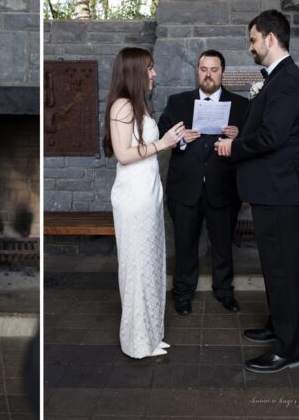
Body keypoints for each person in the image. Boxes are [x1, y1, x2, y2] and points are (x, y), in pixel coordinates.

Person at [215, 9, 299, 374]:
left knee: (283, 271)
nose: (251, 47)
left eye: (254, 40)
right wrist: (242, 134)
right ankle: (277, 326)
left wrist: (233, 148)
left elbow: (273, 138)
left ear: (271, 38)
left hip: (281, 192)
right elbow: (269, 129)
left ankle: (288, 349)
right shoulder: (276, 78)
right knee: (274, 268)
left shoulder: (286, 80)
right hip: (273, 190)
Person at [103, 47, 184, 360]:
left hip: (147, 195)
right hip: (133, 198)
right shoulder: (122, 106)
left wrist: (172, 139)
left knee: (150, 264)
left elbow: (141, 146)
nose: (154, 73)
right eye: (149, 68)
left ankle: (150, 336)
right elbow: (123, 154)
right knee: (137, 269)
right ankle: (137, 342)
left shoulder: (139, 105)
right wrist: (162, 143)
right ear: (135, 71)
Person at [158, 50, 248, 316]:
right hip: (185, 188)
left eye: (214, 69)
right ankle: (183, 294)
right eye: (203, 69)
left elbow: (255, 143)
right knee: (185, 245)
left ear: (223, 72)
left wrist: (239, 136)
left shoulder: (241, 106)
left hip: (224, 187)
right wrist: (181, 137)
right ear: (197, 71)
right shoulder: (178, 103)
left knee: (222, 244)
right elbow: (161, 138)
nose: (208, 74)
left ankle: (224, 292)